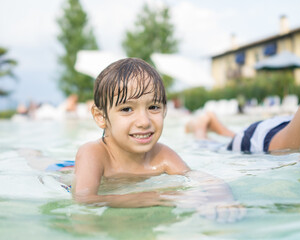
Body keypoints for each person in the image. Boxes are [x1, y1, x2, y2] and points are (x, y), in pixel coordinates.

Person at [71, 58, 244, 221]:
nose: (144, 122)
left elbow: (207, 179)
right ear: (101, 117)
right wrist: (154, 197)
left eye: (153, 107)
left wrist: (222, 200)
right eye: (127, 109)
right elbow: (84, 198)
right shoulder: (93, 154)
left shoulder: (162, 156)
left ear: (165, 111)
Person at [185, 100, 300, 153]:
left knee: (229, 141)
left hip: (279, 127)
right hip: (262, 139)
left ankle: (218, 126)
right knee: (206, 145)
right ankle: (199, 127)